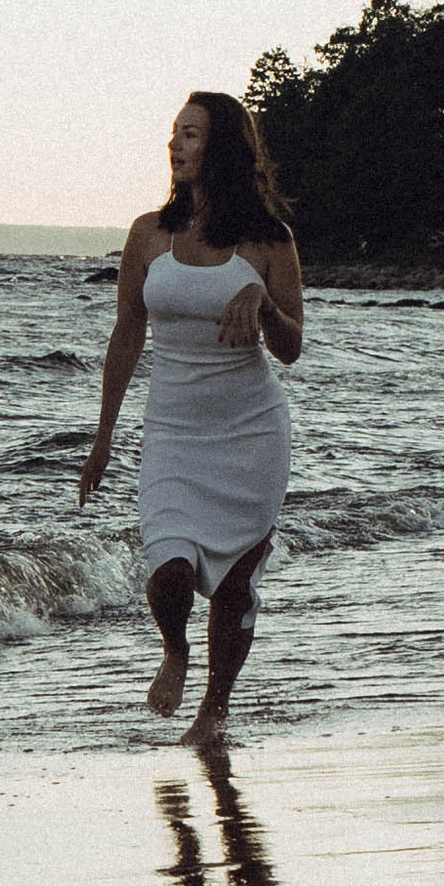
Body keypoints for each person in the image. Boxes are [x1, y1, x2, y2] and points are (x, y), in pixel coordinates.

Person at [77, 90, 303, 744]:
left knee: (235, 585)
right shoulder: (149, 234)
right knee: (169, 568)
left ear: (223, 148)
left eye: (192, 135)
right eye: (174, 133)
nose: (175, 145)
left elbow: (290, 347)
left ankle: (215, 710)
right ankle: (174, 649)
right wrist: (102, 439)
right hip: (173, 432)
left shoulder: (268, 241)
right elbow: (126, 334)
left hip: (251, 431)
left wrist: (262, 306)